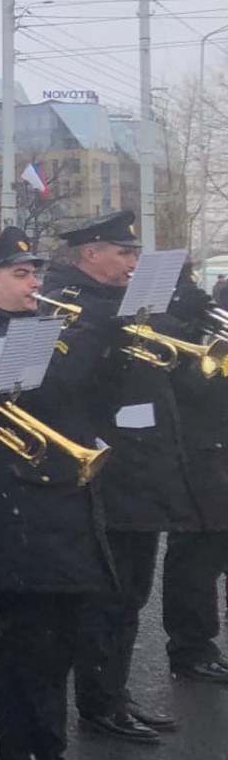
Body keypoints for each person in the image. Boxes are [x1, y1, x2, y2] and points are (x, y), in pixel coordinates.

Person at [0, 227, 119, 760]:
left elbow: (88, 388)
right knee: (30, 646)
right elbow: (51, 379)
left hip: (56, 499)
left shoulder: (31, 328)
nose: (35, 284)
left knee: (56, 642)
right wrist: (88, 319)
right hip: (19, 505)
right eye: (21, 275)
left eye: (36, 273)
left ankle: (49, 757)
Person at [43, 211, 193, 743]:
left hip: (142, 466)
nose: (134, 262)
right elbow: (68, 384)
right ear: (92, 254)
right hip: (110, 467)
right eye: (124, 254)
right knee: (108, 594)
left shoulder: (122, 305)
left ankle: (116, 693)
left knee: (132, 591)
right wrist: (109, 332)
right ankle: (100, 702)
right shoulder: (68, 304)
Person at [160, 268, 228, 684]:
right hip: (198, 454)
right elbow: (188, 390)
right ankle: (190, 647)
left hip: (218, 448)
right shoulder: (170, 330)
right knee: (197, 554)